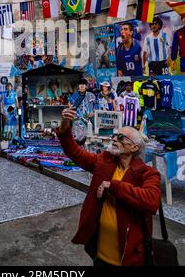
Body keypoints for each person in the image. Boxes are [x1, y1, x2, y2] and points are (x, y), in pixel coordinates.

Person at [57, 108, 161, 266]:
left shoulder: (148, 173)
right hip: (99, 255)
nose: (114, 139)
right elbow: (74, 152)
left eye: (121, 137)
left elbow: (151, 201)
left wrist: (113, 186)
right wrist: (65, 124)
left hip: (129, 258)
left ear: (134, 148)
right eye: (114, 136)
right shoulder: (103, 162)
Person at [68, 78, 96, 144]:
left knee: (88, 138)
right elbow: (69, 102)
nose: (82, 87)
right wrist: (71, 110)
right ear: (78, 86)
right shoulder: (75, 95)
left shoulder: (91, 95)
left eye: (83, 86)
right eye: (80, 86)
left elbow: (97, 105)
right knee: (76, 137)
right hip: (77, 119)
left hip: (89, 119)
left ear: (86, 86)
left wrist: (93, 112)